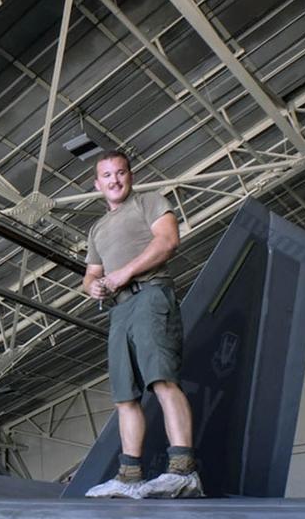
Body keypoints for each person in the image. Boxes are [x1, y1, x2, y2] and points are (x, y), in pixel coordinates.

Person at [82, 150, 203, 499]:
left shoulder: (149, 201)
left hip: (150, 296)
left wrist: (124, 272)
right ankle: (129, 475)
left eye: (120, 173)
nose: (114, 180)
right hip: (118, 309)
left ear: (130, 176)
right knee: (124, 396)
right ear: (97, 183)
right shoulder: (97, 229)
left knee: (162, 380)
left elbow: (167, 241)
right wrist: (94, 286)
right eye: (107, 175)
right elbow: (90, 275)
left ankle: (183, 470)